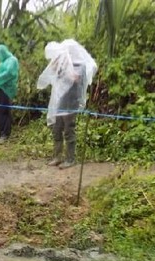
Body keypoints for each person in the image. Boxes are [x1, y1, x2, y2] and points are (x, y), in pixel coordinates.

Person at [37, 39, 97, 169]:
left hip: (71, 103)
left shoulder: (80, 66)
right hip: (59, 103)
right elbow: (53, 75)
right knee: (57, 128)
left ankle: (70, 159)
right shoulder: (62, 63)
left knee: (69, 129)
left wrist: (70, 70)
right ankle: (57, 156)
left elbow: (76, 80)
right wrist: (58, 64)